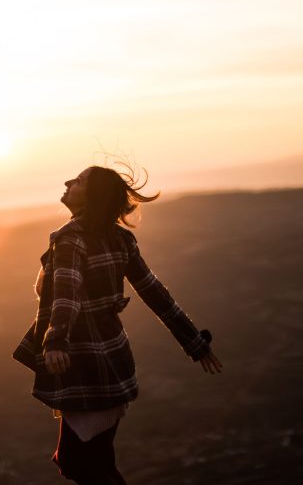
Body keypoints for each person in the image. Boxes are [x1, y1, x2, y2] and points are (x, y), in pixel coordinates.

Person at [12, 165, 223, 484]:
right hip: (114, 361)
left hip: (83, 363)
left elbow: (66, 294)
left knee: (80, 463)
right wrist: (194, 343)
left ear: (92, 196)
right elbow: (156, 294)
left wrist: (55, 341)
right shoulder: (121, 239)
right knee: (91, 461)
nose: (69, 182)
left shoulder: (71, 238)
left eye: (79, 181)